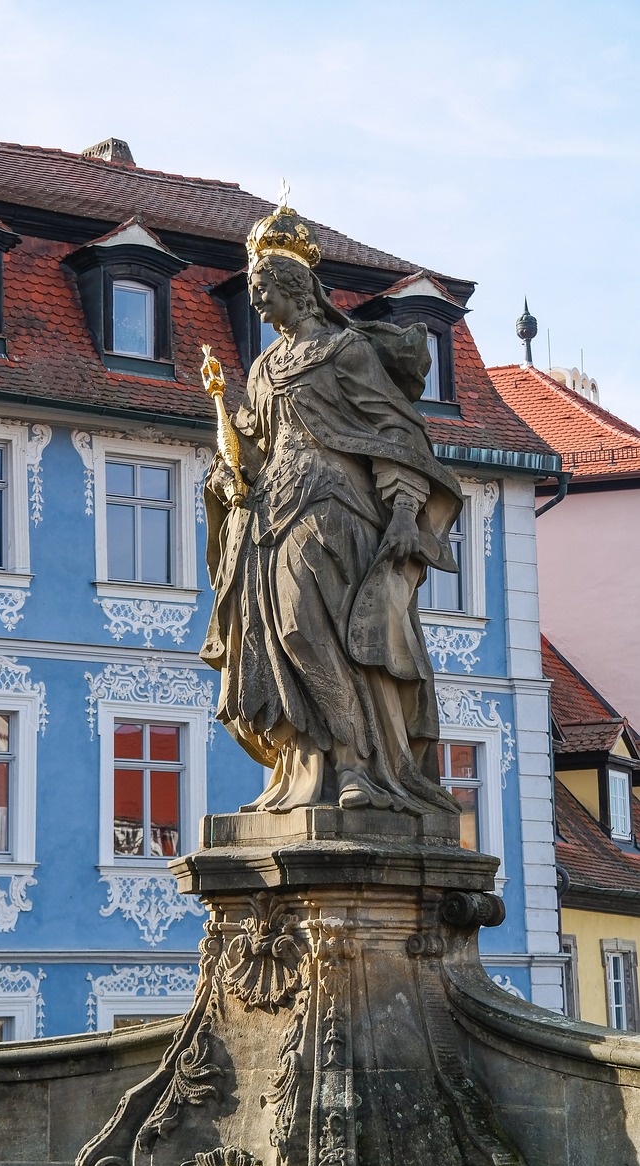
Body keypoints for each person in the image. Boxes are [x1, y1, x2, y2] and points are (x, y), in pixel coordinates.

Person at [201, 200, 463, 815]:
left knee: (315, 632)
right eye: (255, 293)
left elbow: (395, 433)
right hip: (271, 514)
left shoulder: (345, 350)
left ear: (295, 288)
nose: (258, 305)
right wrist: (228, 460)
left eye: (264, 291)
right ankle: (304, 768)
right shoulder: (264, 368)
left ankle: (357, 765)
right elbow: (255, 443)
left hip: (331, 507)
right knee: (272, 638)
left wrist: (403, 514)